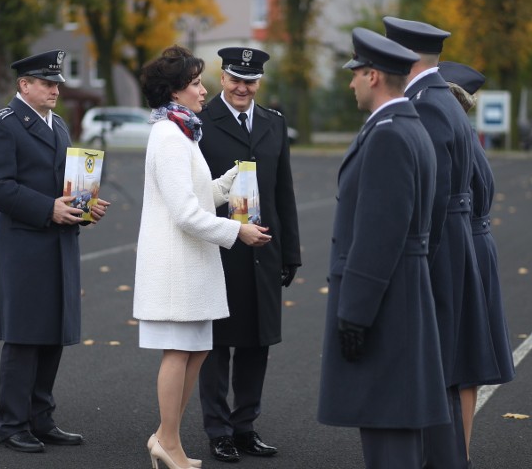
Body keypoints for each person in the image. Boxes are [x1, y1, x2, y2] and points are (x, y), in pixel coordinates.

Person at [133, 45, 272, 469]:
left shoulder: (181, 130)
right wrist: (238, 230)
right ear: (174, 92)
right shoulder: (169, 136)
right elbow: (186, 214)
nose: (202, 89)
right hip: (177, 266)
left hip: (190, 264)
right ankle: (167, 441)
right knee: (178, 353)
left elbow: (196, 196)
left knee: (194, 352)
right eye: (194, 82)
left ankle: (167, 439)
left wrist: (228, 181)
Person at [318, 27, 450, 469]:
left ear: (373, 76)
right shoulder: (408, 128)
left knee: (388, 432)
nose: (351, 81)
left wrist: (354, 314)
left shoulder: (390, 135)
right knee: (397, 428)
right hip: (403, 295)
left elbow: (378, 236)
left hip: (385, 306)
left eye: (356, 73)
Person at [0, 49, 111, 454]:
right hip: (25, 244)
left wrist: (83, 207)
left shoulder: (58, 126)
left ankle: (40, 418)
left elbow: (65, 185)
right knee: (23, 336)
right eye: (48, 83)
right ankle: (12, 424)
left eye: (57, 83)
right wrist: (47, 207)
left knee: (52, 333)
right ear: (25, 85)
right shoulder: (4, 125)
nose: (56, 89)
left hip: (58, 241)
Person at [384, 17, 499, 469]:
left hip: (444, 250)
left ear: (406, 60)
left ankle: (449, 458)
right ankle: (455, 456)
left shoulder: (428, 105)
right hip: (462, 244)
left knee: (445, 365)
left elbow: (430, 195)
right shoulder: (439, 101)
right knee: (458, 363)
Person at [197, 47, 301, 462]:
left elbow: (283, 192)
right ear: (221, 78)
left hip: (263, 249)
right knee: (218, 344)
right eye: (236, 79)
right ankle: (218, 430)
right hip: (219, 247)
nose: (243, 88)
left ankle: (245, 427)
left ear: (259, 82)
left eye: (251, 80)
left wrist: (289, 251)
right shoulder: (201, 124)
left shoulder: (274, 123)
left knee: (258, 342)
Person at [439, 61, 516, 467]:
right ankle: (460, 452)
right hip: (476, 244)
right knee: (466, 359)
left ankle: (458, 453)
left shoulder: (455, 139)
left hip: (464, 246)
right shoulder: (468, 136)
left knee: (461, 361)